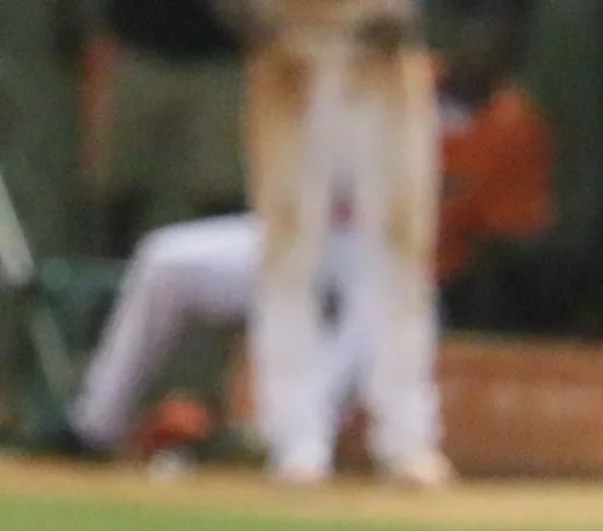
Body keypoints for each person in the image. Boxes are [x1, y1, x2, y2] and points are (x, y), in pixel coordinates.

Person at [38, 7, 549, 463]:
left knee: (386, 279)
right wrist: (277, 24)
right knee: (169, 261)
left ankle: (398, 436)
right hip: (297, 115)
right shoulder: (282, 71)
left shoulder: (412, 80)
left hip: (362, 256)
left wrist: (379, 27)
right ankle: (99, 423)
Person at [226, 0, 446, 485]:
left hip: (380, 58)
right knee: (287, 249)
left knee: (402, 245)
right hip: (290, 55)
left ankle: (407, 433)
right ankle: (295, 434)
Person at [94, 0, 250, 252]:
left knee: (220, 191)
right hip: (141, 49)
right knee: (120, 186)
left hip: (218, 58)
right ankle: (110, 271)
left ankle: (214, 276)